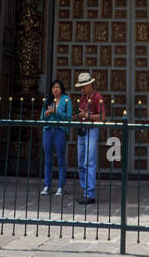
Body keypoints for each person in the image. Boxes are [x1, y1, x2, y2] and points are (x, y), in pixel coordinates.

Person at [75, 72, 106, 205]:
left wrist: (87, 116)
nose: (81, 89)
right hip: (82, 130)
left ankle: (90, 193)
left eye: (83, 87)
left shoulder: (97, 97)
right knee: (81, 162)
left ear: (89, 85)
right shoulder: (83, 97)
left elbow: (103, 117)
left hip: (92, 130)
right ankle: (85, 190)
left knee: (89, 161)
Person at [40, 79, 71, 197]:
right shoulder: (48, 100)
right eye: (53, 87)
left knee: (61, 160)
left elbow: (68, 117)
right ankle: (47, 185)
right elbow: (42, 118)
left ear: (61, 89)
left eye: (57, 87)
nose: (55, 90)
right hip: (48, 130)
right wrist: (47, 114)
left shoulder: (66, 100)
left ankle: (60, 186)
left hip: (60, 130)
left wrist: (56, 111)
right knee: (48, 159)